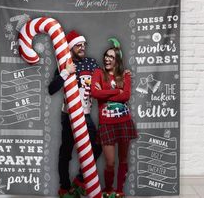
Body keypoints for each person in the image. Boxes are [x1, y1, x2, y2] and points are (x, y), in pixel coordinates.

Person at [48, 30, 102, 198]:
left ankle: (80, 180)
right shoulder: (64, 65)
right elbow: (51, 89)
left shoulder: (92, 63)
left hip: (85, 115)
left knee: (97, 146)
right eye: (78, 45)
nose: (82, 47)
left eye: (83, 45)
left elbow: (104, 80)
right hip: (69, 115)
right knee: (66, 152)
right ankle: (64, 188)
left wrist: (120, 76)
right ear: (70, 48)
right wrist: (66, 72)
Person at [91, 38, 138, 198]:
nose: (107, 59)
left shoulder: (124, 75)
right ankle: (109, 189)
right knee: (110, 162)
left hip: (124, 122)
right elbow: (95, 93)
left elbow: (127, 95)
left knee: (123, 159)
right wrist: (116, 92)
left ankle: (119, 191)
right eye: (106, 56)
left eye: (111, 57)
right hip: (107, 124)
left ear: (117, 60)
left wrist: (110, 95)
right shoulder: (98, 73)